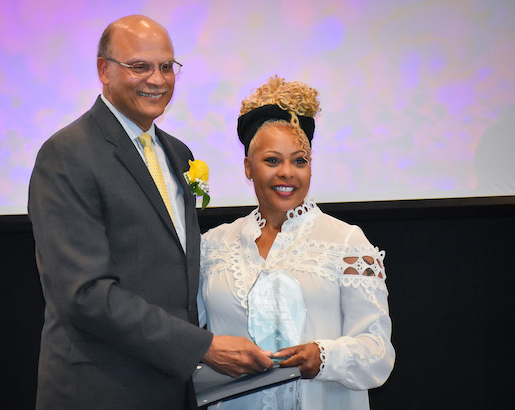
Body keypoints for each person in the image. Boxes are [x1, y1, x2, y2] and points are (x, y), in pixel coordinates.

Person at [28, 15, 272, 410]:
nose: (156, 79)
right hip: (101, 388)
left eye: (166, 66)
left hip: (175, 388)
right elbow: (84, 294)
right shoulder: (67, 154)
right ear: (103, 70)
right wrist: (203, 347)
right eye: (139, 66)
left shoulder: (178, 154)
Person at [198, 75, 395, 409]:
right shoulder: (213, 246)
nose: (287, 172)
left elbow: (377, 352)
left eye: (299, 160)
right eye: (272, 160)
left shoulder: (347, 242)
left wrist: (324, 356)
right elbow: (186, 338)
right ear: (248, 167)